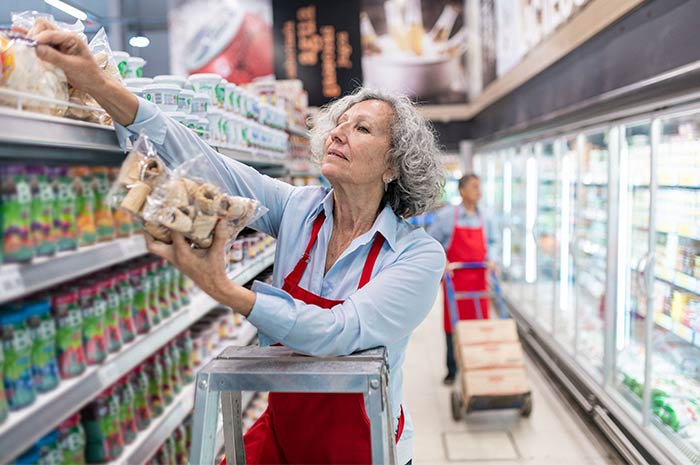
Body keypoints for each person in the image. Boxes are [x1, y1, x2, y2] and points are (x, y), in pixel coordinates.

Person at [28, 28, 447, 465]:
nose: (339, 133)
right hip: (285, 431)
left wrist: (227, 291)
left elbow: (338, 332)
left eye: (361, 128)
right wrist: (98, 84)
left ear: (394, 166)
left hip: (364, 447)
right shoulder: (297, 210)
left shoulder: (416, 256)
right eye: (338, 124)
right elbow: (208, 164)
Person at [428, 174, 496, 385]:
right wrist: (443, 262)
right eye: (474, 187)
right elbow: (431, 241)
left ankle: (477, 364)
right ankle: (452, 369)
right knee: (452, 326)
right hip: (455, 280)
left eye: (480, 186)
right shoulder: (448, 217)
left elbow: (492, 242)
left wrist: (492, 260)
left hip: (478, 280)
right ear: (462, 191)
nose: (479, 191)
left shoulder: (486, 218)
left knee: (478, 323)